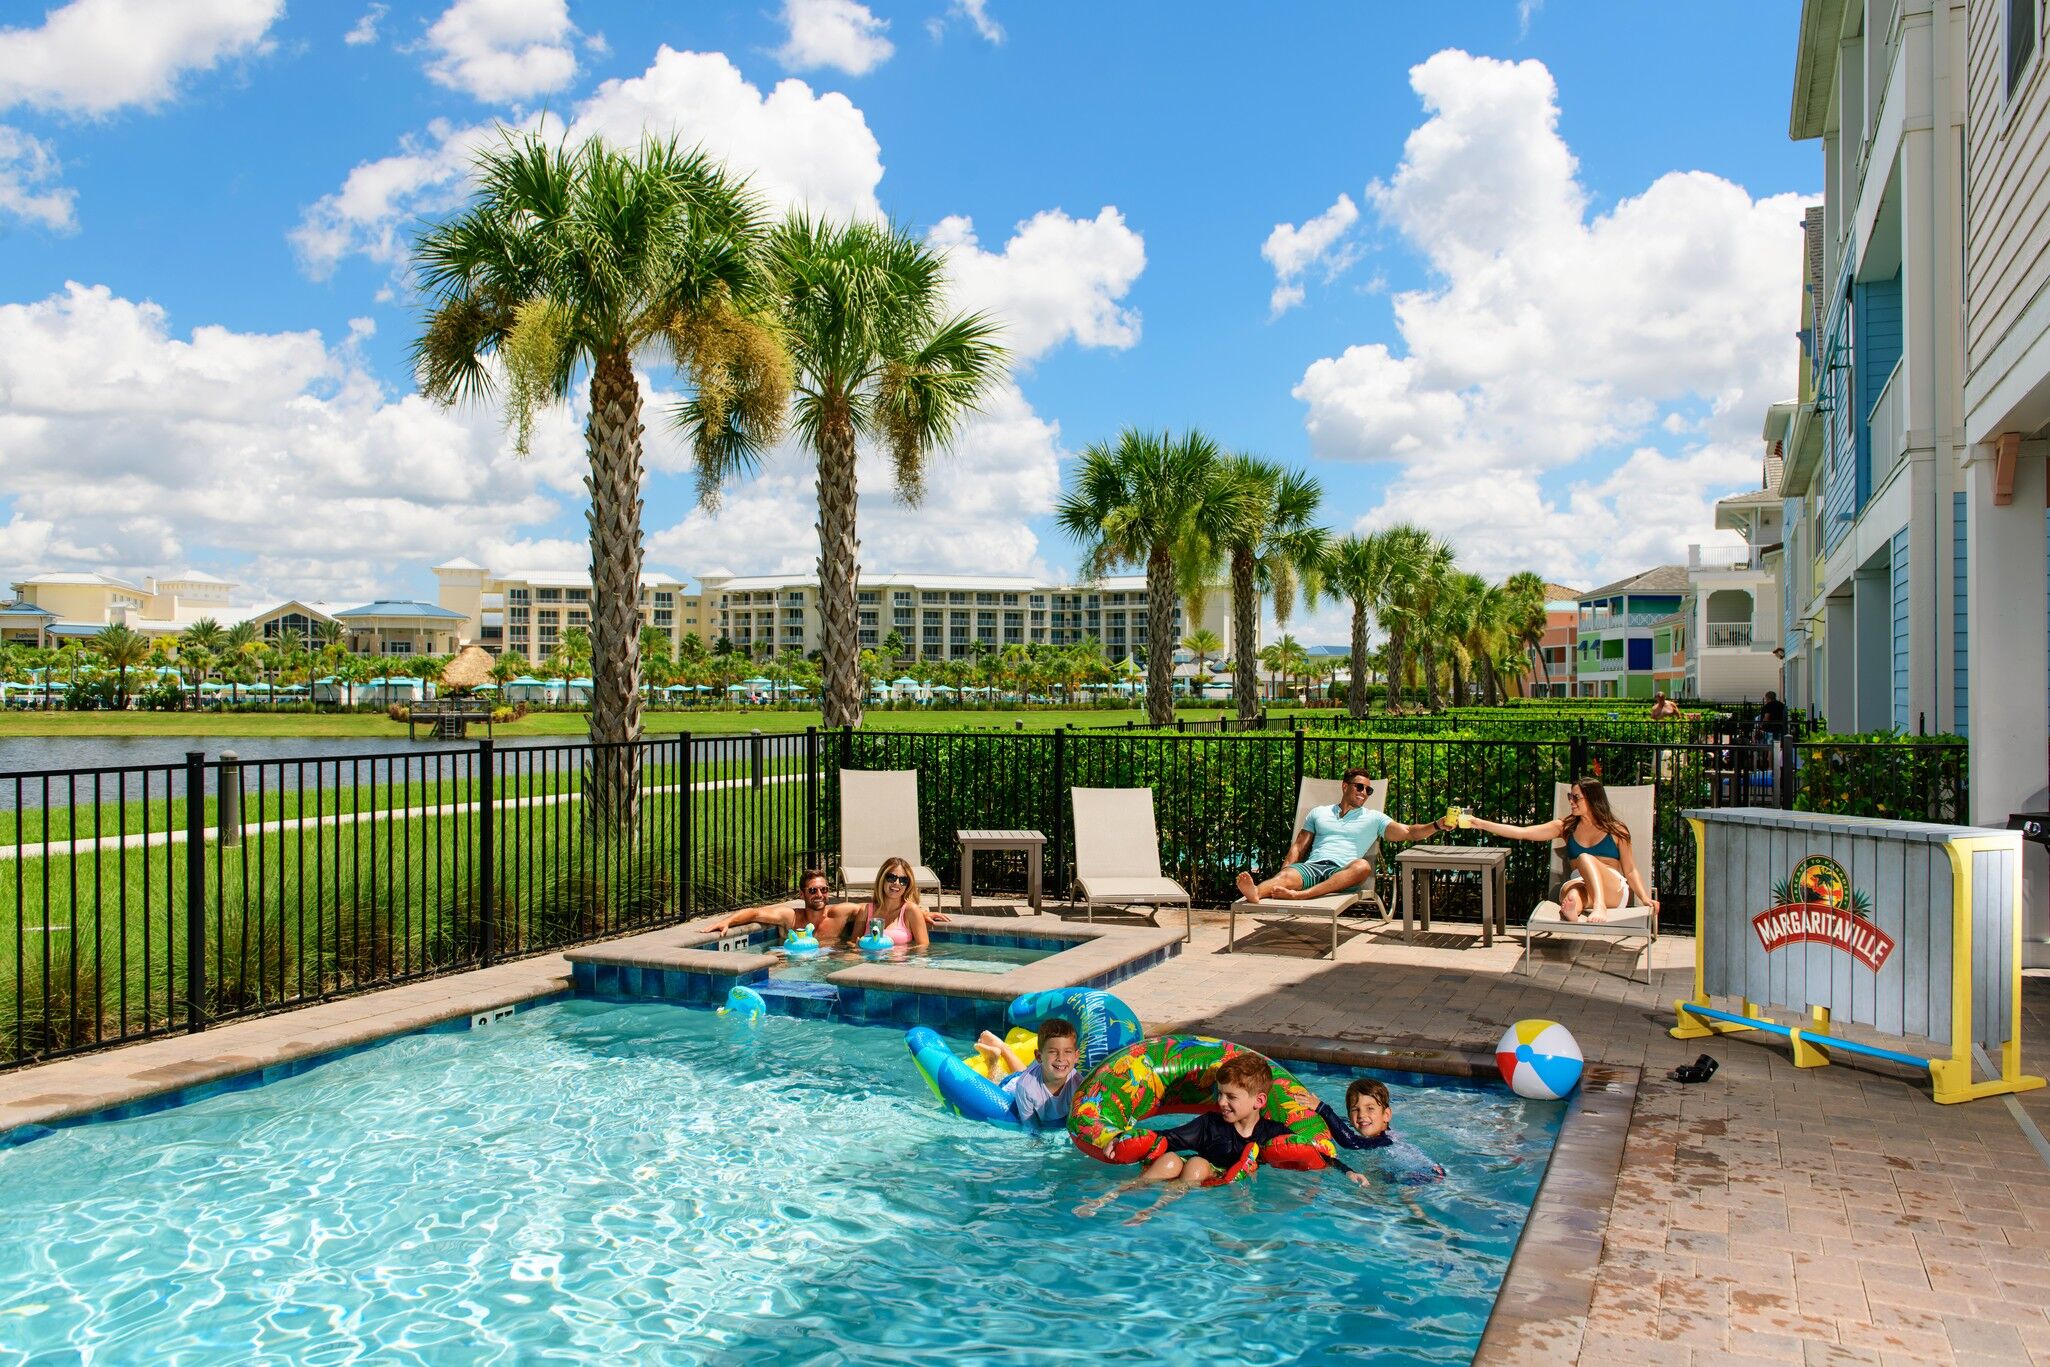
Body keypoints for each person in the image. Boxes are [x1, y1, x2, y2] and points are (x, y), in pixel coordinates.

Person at [1235, 768, 1445, 905]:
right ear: (1345, 786)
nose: (1364, 792)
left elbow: (1409, 832)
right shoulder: (1319, 812)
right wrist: (1286, 872)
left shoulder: (1374, 818)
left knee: (1362, 866)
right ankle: (1255, 893)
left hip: (1342, 872)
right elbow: (1298, 847)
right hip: (1314, 867)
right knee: (1286, 876)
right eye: (1359, 786)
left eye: (1369, 790)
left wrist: (1436, 825)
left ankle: (1303, 895)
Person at [1462, 777, 1656, 923]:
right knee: (1571, 897)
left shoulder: (1616, 830)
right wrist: (1480, 823)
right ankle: (1573, 910)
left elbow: (1630, 870)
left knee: (1585, 858)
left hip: (1612, 889)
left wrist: (1645, 897)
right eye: (1570, 796)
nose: (1571, 801)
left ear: (1592, 799)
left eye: (1576, 797)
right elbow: (1523, 832)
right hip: (1580, 882)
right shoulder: (1566, 827)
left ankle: (1599, 905)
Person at [1317, 1079, 1444, 1185]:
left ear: (1386, 1115)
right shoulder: (1378, 1131)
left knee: (1404, 1198)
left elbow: (1352, 1142)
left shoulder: (1385, 1140)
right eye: (1355, 1109)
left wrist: (1323, 1109)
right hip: (1407, 1171)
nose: (1362, 1115)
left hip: (1424, 1174)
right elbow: (1341, 1125)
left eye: (1370, 1108)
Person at [975, 1017, 1081, 1128]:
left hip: (1037, 1075)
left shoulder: (1077, 1082)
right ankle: (992, 1061)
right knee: (994, 1083)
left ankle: (1003, 1049)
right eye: (1053, 1052)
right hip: (1012, 1086)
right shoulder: (1026, 1088)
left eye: (1068, 1052)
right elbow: (1031, 1130)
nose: (1061, 1058)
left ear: (1076, 1056)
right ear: (1039, 1057)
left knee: (1028, 1073)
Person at [859, 856, 932, 948]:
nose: (897, 883)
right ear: (882, 879)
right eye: (891, 877)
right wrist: (857, 945)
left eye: (903, 880)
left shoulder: (911, 910)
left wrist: (894, 953)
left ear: (908, 885)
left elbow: (923, 946)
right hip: (868, 961)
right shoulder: (865, 910)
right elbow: (853, 942)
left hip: (899, 961)